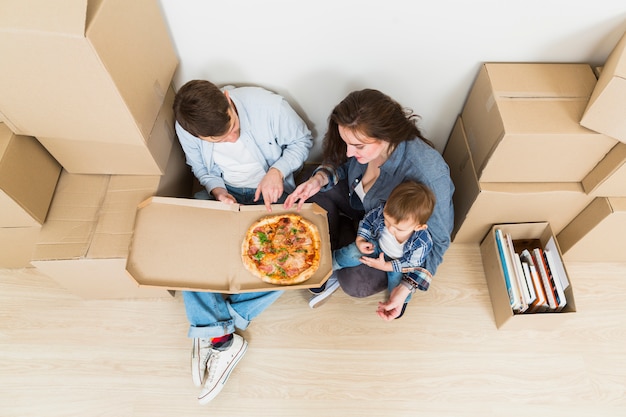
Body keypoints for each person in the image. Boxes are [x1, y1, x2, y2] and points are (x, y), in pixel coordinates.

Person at [173, 79, 312, 404]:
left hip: (272, 195)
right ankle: (220, 333)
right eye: (219, 140)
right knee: (188, 240)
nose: (231, 138)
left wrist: (277, 171)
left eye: (233, 127)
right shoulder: (188, 128)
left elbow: (303, 142)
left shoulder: (269, 107)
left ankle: (214, 329)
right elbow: (200, 168)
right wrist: (217, 191)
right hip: (226, 196)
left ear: (227, 99)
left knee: (294, 269)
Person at [283, 88, 454, 316]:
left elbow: (440, 241)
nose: (349, 152)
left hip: (387, 242)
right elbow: (341, 164)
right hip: (363, 210)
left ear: (386, 136)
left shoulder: (428, 172)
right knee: (308, 183)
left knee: (355, 285)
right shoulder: (359, 145)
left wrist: (406, 287)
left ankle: (337, 248)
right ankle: (331, 249)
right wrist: (319, 178)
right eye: (346, 143)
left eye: (358, 146)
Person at [332, 180, 436, 320]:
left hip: (398, 263)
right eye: (387, 221)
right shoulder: (382, 211)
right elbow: (368, 221)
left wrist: (386, 266)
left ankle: (399, 303)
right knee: (352, 252)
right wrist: (361, 239)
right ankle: (331, 264)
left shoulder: (422, 242)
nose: (390, 229)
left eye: (398, 229)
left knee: (397, 283)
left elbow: (411, 264)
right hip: (376, 245)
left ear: (419, 227)